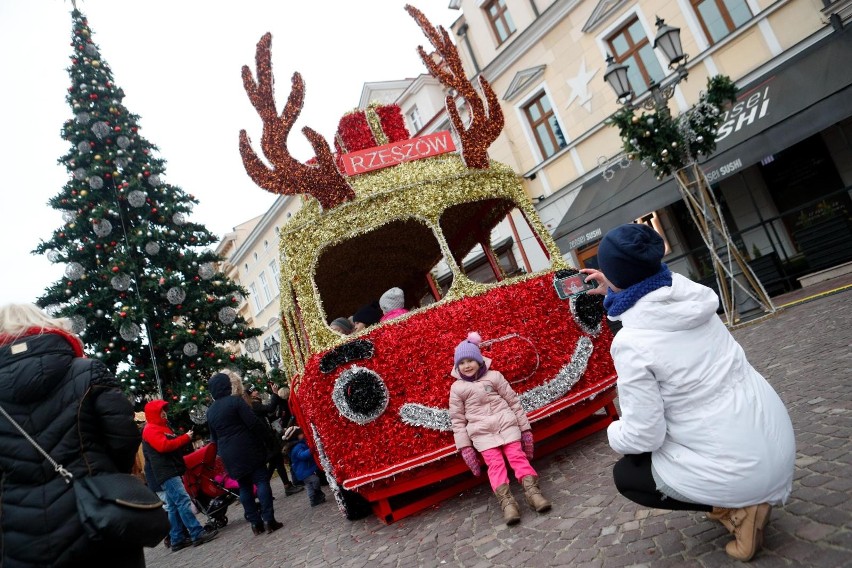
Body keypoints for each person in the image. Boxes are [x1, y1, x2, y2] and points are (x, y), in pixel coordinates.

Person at [580, 223, 795, 562]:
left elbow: (643, 436)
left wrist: (612, 431)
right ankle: (735, 497)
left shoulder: (632, 344)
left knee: (629, 473)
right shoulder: (689, 295)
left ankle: (738, 509)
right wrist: (616, 286)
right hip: (776, 441)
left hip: (744, 470)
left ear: (619, 276)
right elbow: (646, 308)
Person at [0, 303, 145, 567]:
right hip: (96, 514)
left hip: (23, 532)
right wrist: (108, 474)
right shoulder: (86, 371)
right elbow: (124, 435)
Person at [448, 332, 551, 526]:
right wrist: (465, 447)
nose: (467, 365)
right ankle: (507, 503)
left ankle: (533, 494)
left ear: (479, 361)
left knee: (517, 458)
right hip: (482, 435)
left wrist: (525, 430)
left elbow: (513, 402)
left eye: (471, 360)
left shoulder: (494, 377)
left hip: (507, 426)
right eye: (462, 362)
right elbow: (458, 420)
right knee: (495, 466)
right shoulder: (457, 388)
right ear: (457, 366)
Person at [206, 372, 284, 535]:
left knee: (244, 486)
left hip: (228, 453)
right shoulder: (235, 402)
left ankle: (255, 524)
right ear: (227, 386)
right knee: (261, 480)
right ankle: (269, 519)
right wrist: (268, 440)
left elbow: (214, 438)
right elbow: (254, 423)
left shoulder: (210, 411)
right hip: (247, 446)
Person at [142, 399, 219, 552]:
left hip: (168, 471)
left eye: (164, 409)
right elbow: (164, 446)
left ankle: (177, 539)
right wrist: (185, 438)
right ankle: (197, 533)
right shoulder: (151, 429)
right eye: (161, 410)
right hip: (167, 472)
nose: (164, 412)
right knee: (183, 501)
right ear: (154, 413)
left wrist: (183, 438)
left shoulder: (159, 427)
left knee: (172, 506)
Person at [246, 382, 304, 497]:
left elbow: (267, 414)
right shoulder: (254, 405)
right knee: (275, 462)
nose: (256, 392)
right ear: (250, 394)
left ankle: (264, 489)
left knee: (275, 462)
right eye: (253, 391)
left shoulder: (255, 404)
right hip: (267, 439)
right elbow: (269, 408)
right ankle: (265, 489)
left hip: (268, 437)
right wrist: (274, 394)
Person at [287, 428, 327, 507]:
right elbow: (302, 455)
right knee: (315, 480)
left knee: (309, 486)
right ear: (296, 436)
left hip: (304, 471)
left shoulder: (299, 444)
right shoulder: (297, 447)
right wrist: (310, 450)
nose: (303, 434)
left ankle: (313, 499)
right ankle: (317, 492)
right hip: (304, 471)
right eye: (300, 433)